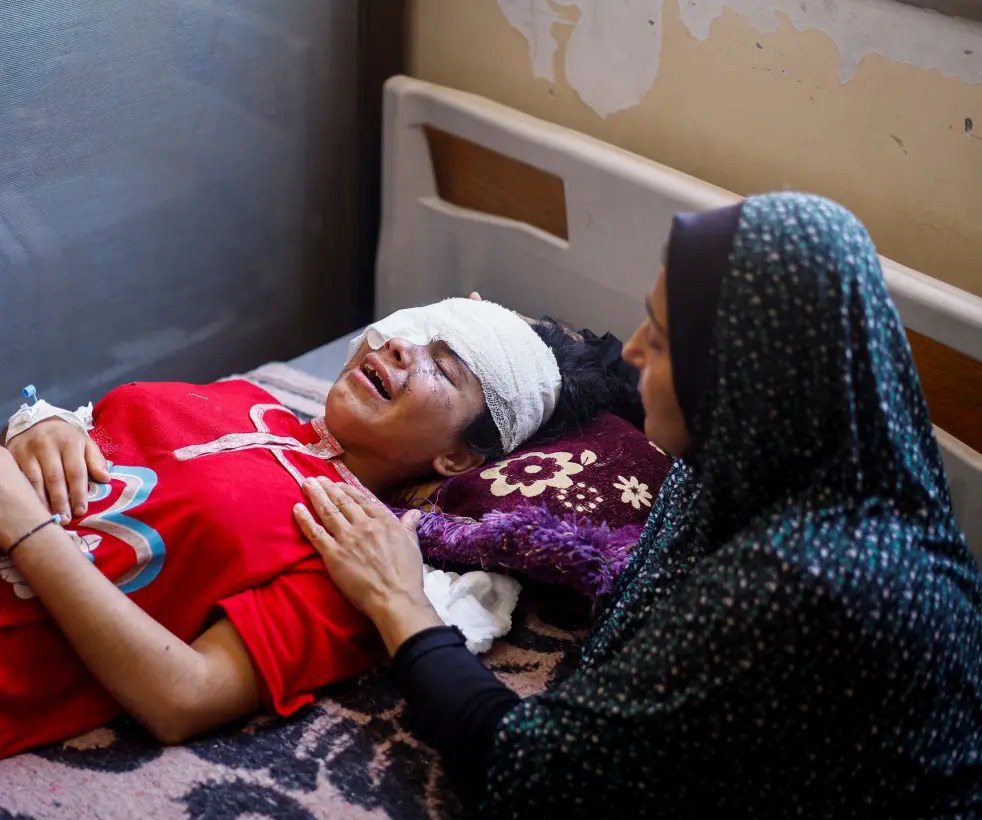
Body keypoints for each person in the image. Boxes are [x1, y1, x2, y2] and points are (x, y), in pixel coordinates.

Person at [294, 193, 982, 816]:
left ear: (740, 377)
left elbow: (534, 775)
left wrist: (398, 599)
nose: (633, 349)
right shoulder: (758, 458)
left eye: (660, 339)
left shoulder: (806, 582)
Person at [0, 298, 627, 787]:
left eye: (444, 365)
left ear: (456, 456)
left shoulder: (356, 547)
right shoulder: (245, 403)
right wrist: (40, 430)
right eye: (412, 327)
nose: (399, 350)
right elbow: (77, 457)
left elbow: (182, 696)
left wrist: (27, 532)